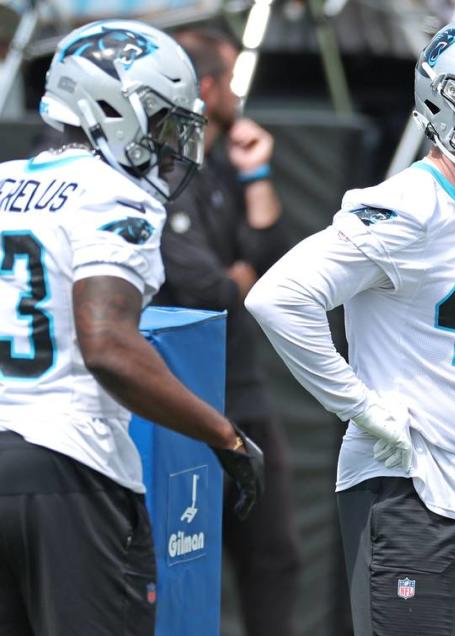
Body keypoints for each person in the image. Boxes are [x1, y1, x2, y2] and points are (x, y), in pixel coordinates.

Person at [246, 16, 455, 636]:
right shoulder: (408, 207)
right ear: (443, 102)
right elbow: (278, 297)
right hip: (411, 491)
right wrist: (361, 407)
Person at [0, 19, 264, 636]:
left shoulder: (4, 183)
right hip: (71, 465)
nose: (169, 141)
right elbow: (109, 347)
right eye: (159, 120)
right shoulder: (114, 195)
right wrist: (222, 435)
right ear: (110, 108)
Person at [151, 27, 301, 636]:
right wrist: (240, 277)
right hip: (175, 397)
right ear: (207, 88)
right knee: (179, 561)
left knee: (274, 557)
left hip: (243, 393)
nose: (241, 94)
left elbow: (275, 271)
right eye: (233, 80)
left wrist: (256, 172)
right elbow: (204, 289)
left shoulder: (223, 169)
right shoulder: (161, 175)